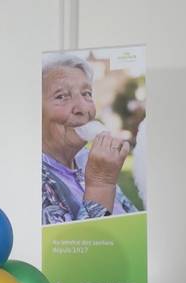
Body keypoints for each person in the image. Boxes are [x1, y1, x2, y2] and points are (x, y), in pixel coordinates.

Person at [41, 53, 138, 225]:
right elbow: (79, 250)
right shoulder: (34, 178)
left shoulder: (87, 160)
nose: (84, 108)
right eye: (61, 96)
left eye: (87, 94)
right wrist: (101, 185)